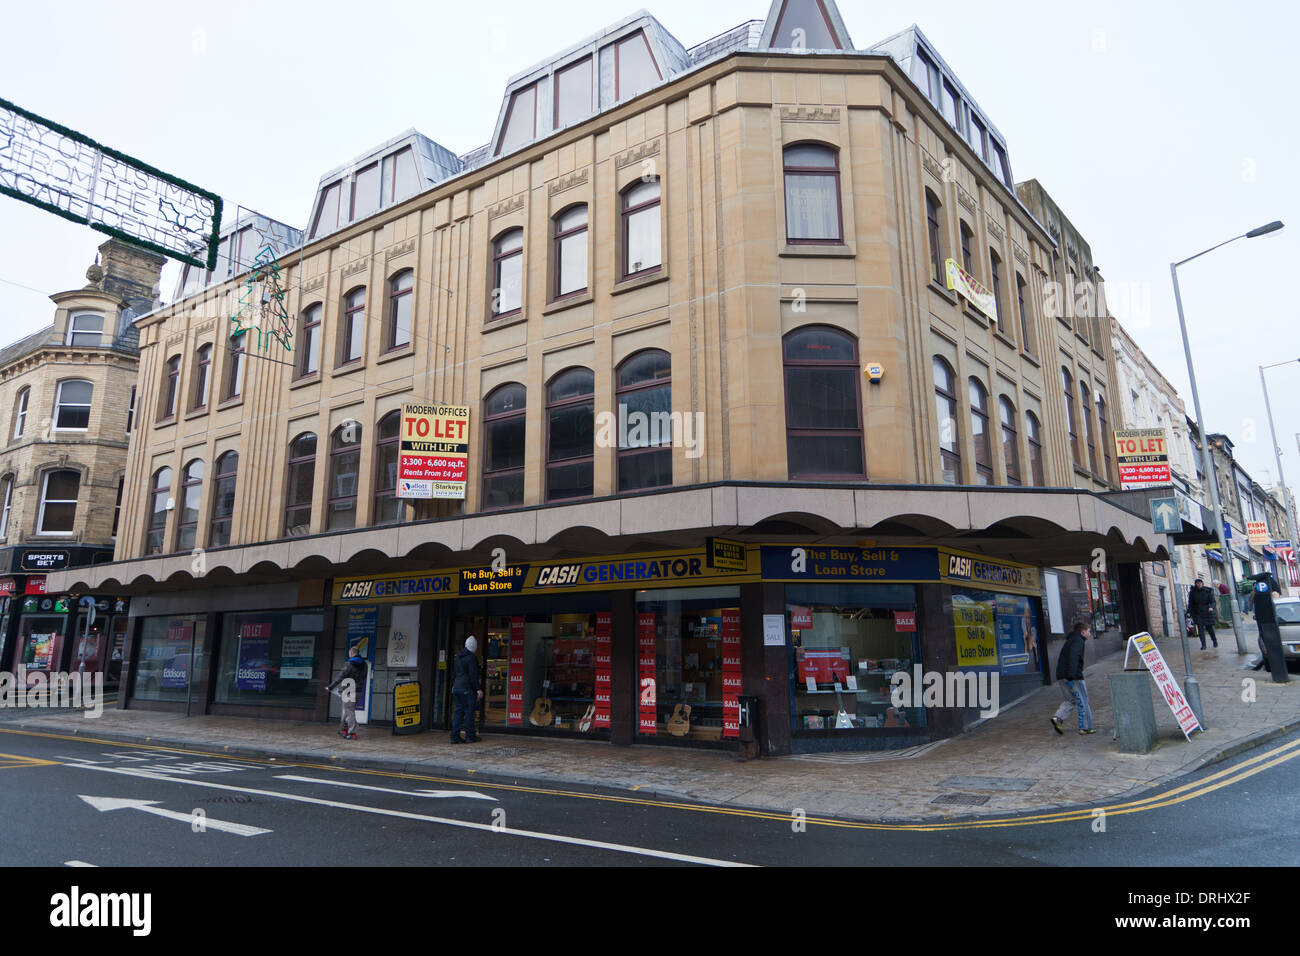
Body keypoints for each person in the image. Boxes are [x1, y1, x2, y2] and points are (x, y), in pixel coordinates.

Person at [1050, 620, 1095, 735]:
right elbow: (1074, 657)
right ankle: (1085, 727)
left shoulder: (1071, 640)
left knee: (1070, 700)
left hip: (1062, 675)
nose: (1090, 634)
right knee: (1083, 701)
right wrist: (1073, 674)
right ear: (1083, 631)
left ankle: (1058, 718)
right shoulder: (1078, 641)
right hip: (1073, 676)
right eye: (1089, 631)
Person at [326, 645, 368, 741]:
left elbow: (340, 677)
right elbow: (364, 677)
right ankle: (343, 729)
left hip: (349, 690)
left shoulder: (349, 664)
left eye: (349, 653)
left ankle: (352, 732)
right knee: (348, 710)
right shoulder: (364, 664)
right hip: (358, 691)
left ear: (352, 653)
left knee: (350, 711)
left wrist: (330, 687)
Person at [451, 635, 483, 744]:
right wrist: (478, 689)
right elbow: (473, 676)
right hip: (467, 688)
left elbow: (454, 674)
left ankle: (454, 737)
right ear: (474, 647)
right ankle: (470, 736)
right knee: (469, 713)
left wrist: (453, 685)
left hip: (457, 687)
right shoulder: (472, 658)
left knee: (458, 712)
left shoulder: (458, 657)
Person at [1187, 578, 1218, 649]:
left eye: (1200, 583)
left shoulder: (1207, 591)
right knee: (1200, 630)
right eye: (1197, 583)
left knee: (1210, 629)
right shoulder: (1192, 592)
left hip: (1207, 612)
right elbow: (1190, 603)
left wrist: (1211, 607)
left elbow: (1213, 601)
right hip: (1198, 613)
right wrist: (1189, 612)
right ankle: (1203, 645)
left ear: (1202, 583)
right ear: (1196, 584)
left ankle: (1214, 640)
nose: (1199, 584)